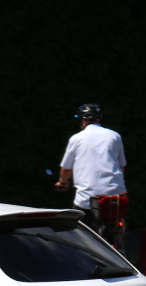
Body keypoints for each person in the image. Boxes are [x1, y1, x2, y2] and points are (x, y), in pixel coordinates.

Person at [54, 103, 128, 242]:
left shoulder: (77, 138)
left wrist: (62, 182)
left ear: (83, 121)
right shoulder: (114, 136)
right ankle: (119, 249)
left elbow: (66, 169)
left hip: (87, 198)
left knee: (83, 233)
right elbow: (121, 165)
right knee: (116, 227)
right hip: (115, 196)